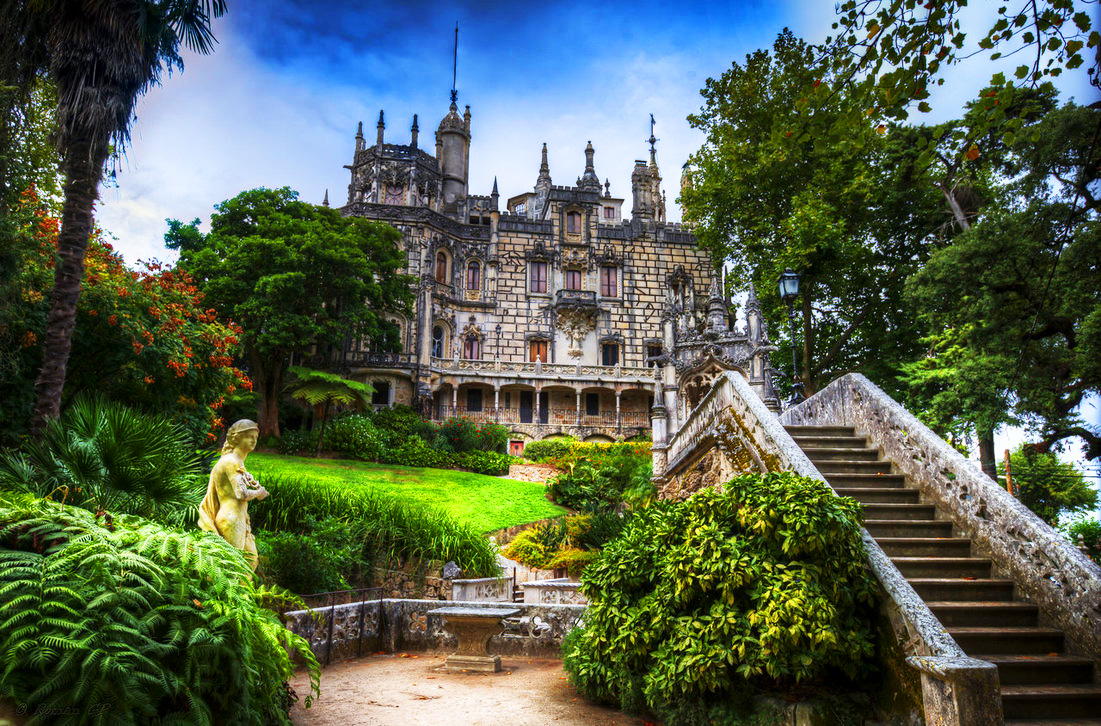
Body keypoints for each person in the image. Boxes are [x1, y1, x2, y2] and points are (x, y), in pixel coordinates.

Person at [198, 419, 269, 569]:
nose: (254, 440)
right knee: (232, 566)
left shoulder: (235, 461)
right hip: (232, 519)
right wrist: (259, 492)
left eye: (255, 437)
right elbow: (241, 494)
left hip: (239, 518)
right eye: (249, 437)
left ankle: (242, 586)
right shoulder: (231, 461)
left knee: (250, 560)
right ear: (237, 438)